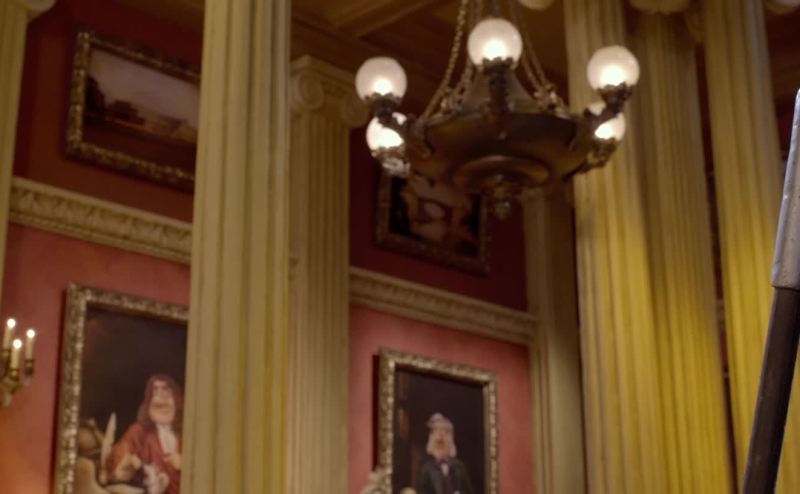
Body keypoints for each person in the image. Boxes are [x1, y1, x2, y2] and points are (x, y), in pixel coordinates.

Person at [106, 374, 183, 494]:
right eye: (154, 392)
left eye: (166, 391)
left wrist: (186, 465)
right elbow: (116, 457)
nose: (159, 399)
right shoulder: (139, 431)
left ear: (177, 400)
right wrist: (125, 464)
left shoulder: (188, 433)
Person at [415, 413, 474, 494]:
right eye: (438, 443)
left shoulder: (459, 467)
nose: (440, 439)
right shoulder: (424, 468)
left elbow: (468, 491)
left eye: (446, 434)